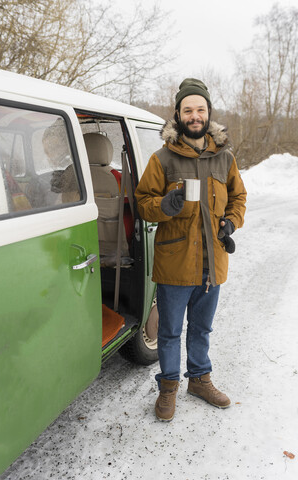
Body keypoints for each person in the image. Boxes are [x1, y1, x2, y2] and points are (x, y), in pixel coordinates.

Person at [135, 78, 247, 421]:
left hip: (212, 262)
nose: (194, 115)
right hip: (175, 262)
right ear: (178, 115)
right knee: (169, 331)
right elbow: (143, 203)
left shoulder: (224, 158)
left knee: (202, 328)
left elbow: (239, 198)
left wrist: (230, 223)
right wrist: (165, 204)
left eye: (200, 109)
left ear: (208, 113)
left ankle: (199, 379)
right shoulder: (162, 159)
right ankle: (168, 388)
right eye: (188, 110)